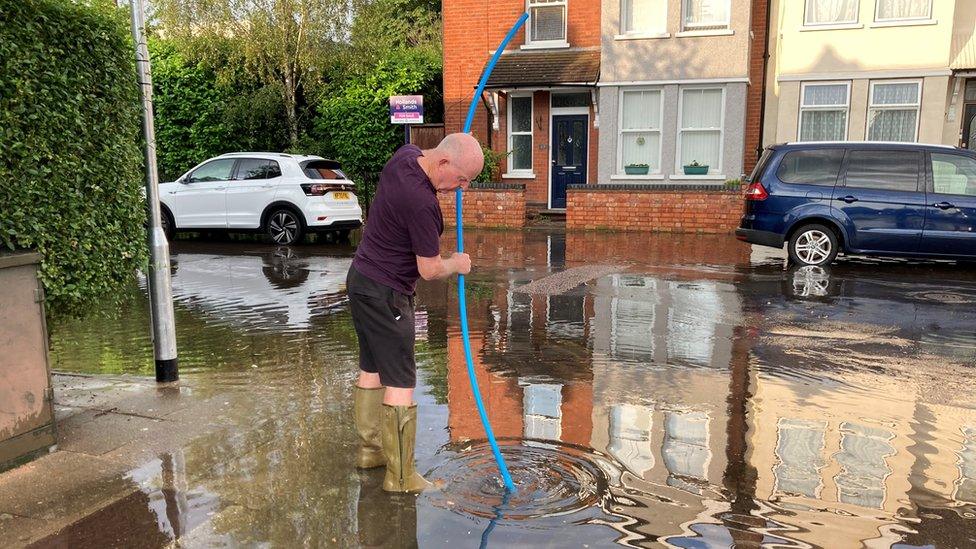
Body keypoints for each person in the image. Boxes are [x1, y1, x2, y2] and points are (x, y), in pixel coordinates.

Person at [347, 133, 484, 492]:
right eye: (459, 180)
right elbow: (428, 269)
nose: (460, 189)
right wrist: (457, 263)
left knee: (371, 367)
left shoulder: (404, 156)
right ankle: (401, 476)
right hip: (387, 295)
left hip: (360, 280)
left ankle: (370, 452)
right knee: (401, 382)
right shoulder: (423, 204)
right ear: (442, 163)